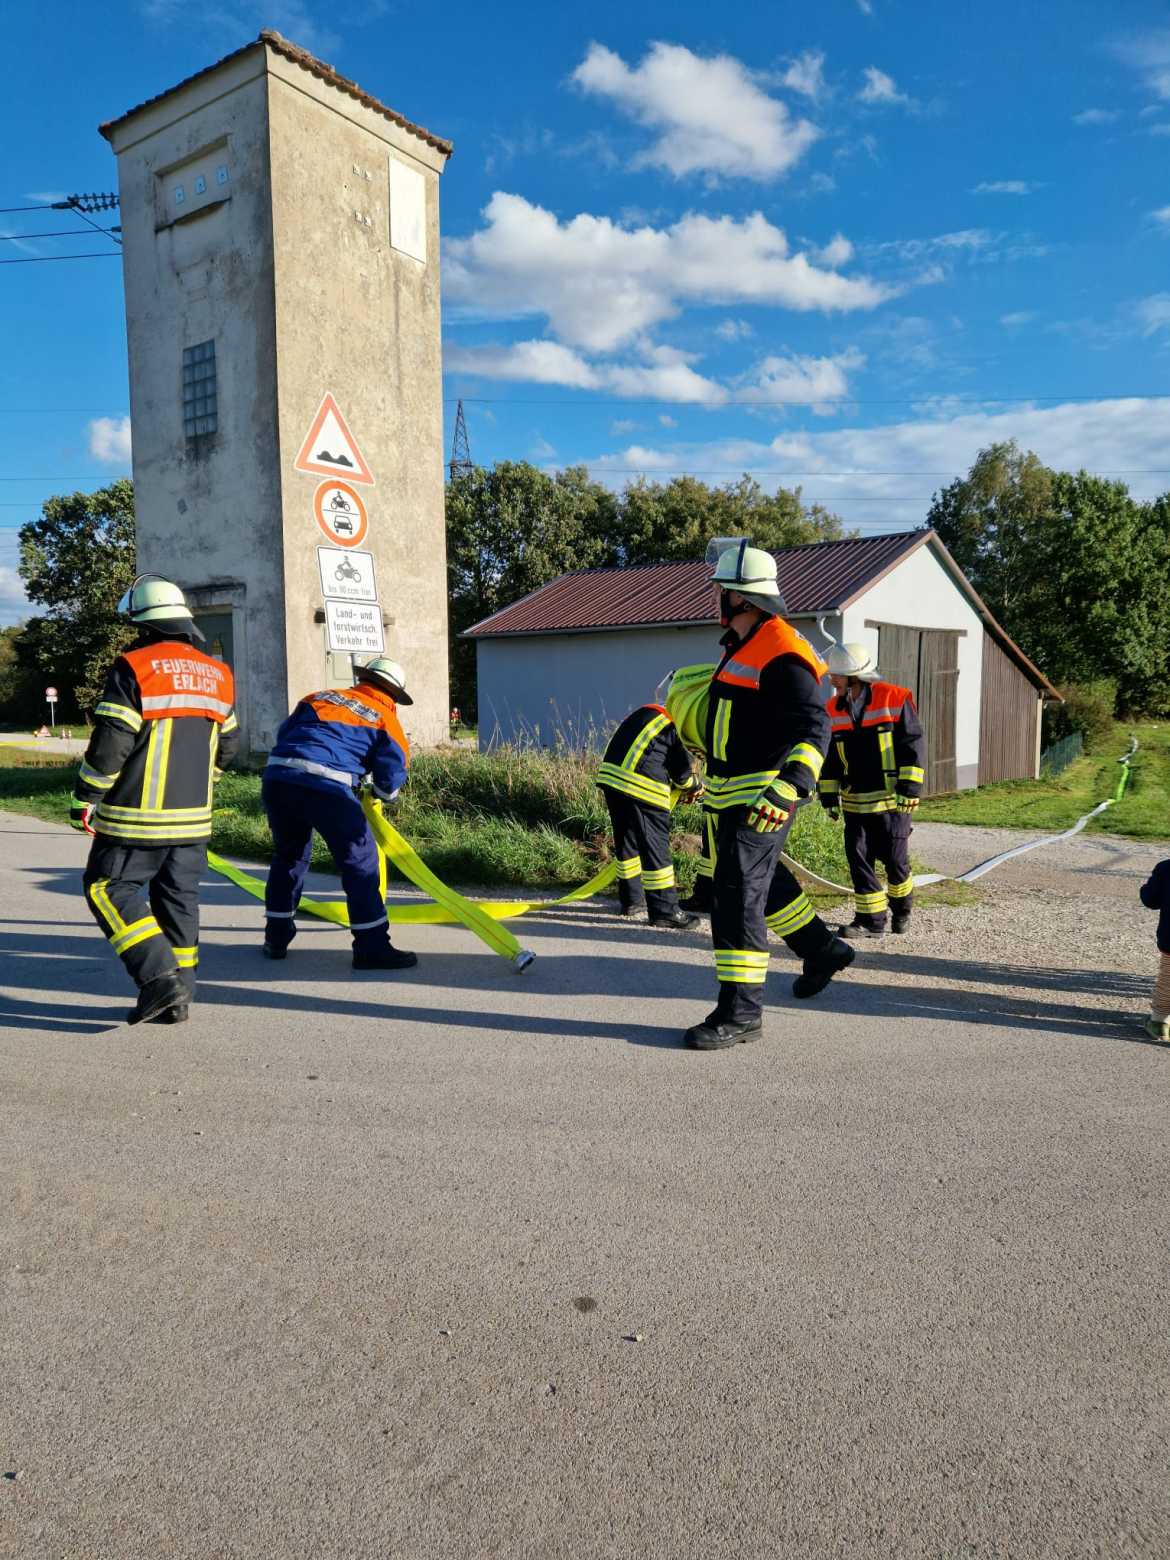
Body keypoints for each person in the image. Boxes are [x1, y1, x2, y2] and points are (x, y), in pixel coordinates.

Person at [684, 541, 855, 1051]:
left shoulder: (781, 651)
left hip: (762, 799)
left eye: (721, 588)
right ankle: (822, 950)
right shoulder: (746, 642)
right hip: (733, 796)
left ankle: (741, 1015)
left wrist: (790, 789)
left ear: (743, 598)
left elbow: (815, 726)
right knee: (764, 884)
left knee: (737, 897)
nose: (714, 595)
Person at [72, 574, 239, 1025]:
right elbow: (229, 744)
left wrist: (87, 795)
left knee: (107, 888)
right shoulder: (218, 674)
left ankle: (158, 979)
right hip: (194, 822)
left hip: (134, 819)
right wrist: (208, 782)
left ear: (143, 625)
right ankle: (179, 999)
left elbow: (112, 741)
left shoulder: (135, 666)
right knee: (179, 902)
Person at [261, 658, 416, 970]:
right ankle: (371, 946)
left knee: (288, 856)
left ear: (364, 681)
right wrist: (377, 793)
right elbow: (391, 778)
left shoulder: (318, 697)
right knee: (361, 861)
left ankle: (276, 938)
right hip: (325, 788)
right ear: (393, 695)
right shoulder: (385, 716)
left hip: (277, 778)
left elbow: (285, 734)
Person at [818, 643, 926, 937]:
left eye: (837, 675)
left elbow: (912, 746)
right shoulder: (832, 710)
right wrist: (828, 795)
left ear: (855, 677)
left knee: (895, 861)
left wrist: (909, 789)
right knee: (858, 858)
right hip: (855, 803)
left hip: (892, 802)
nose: (831, 680)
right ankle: (870, 921)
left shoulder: (895, 699)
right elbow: (829, 759)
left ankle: (902, 909)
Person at [596, 690, 703, 928]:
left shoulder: (649, 712)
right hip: (642, 786)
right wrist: (695, 787)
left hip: (612, 779)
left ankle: (632, 901)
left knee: (627, 841)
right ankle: (664, 910)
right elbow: (682, 774)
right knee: (655, 847)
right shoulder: (675, 723)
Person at [1138, 859, 1170, 1043]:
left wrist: (1146, 889)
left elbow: (1151, 899)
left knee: (1167, 983)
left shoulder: (1166, 868)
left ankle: (1159, 1023)